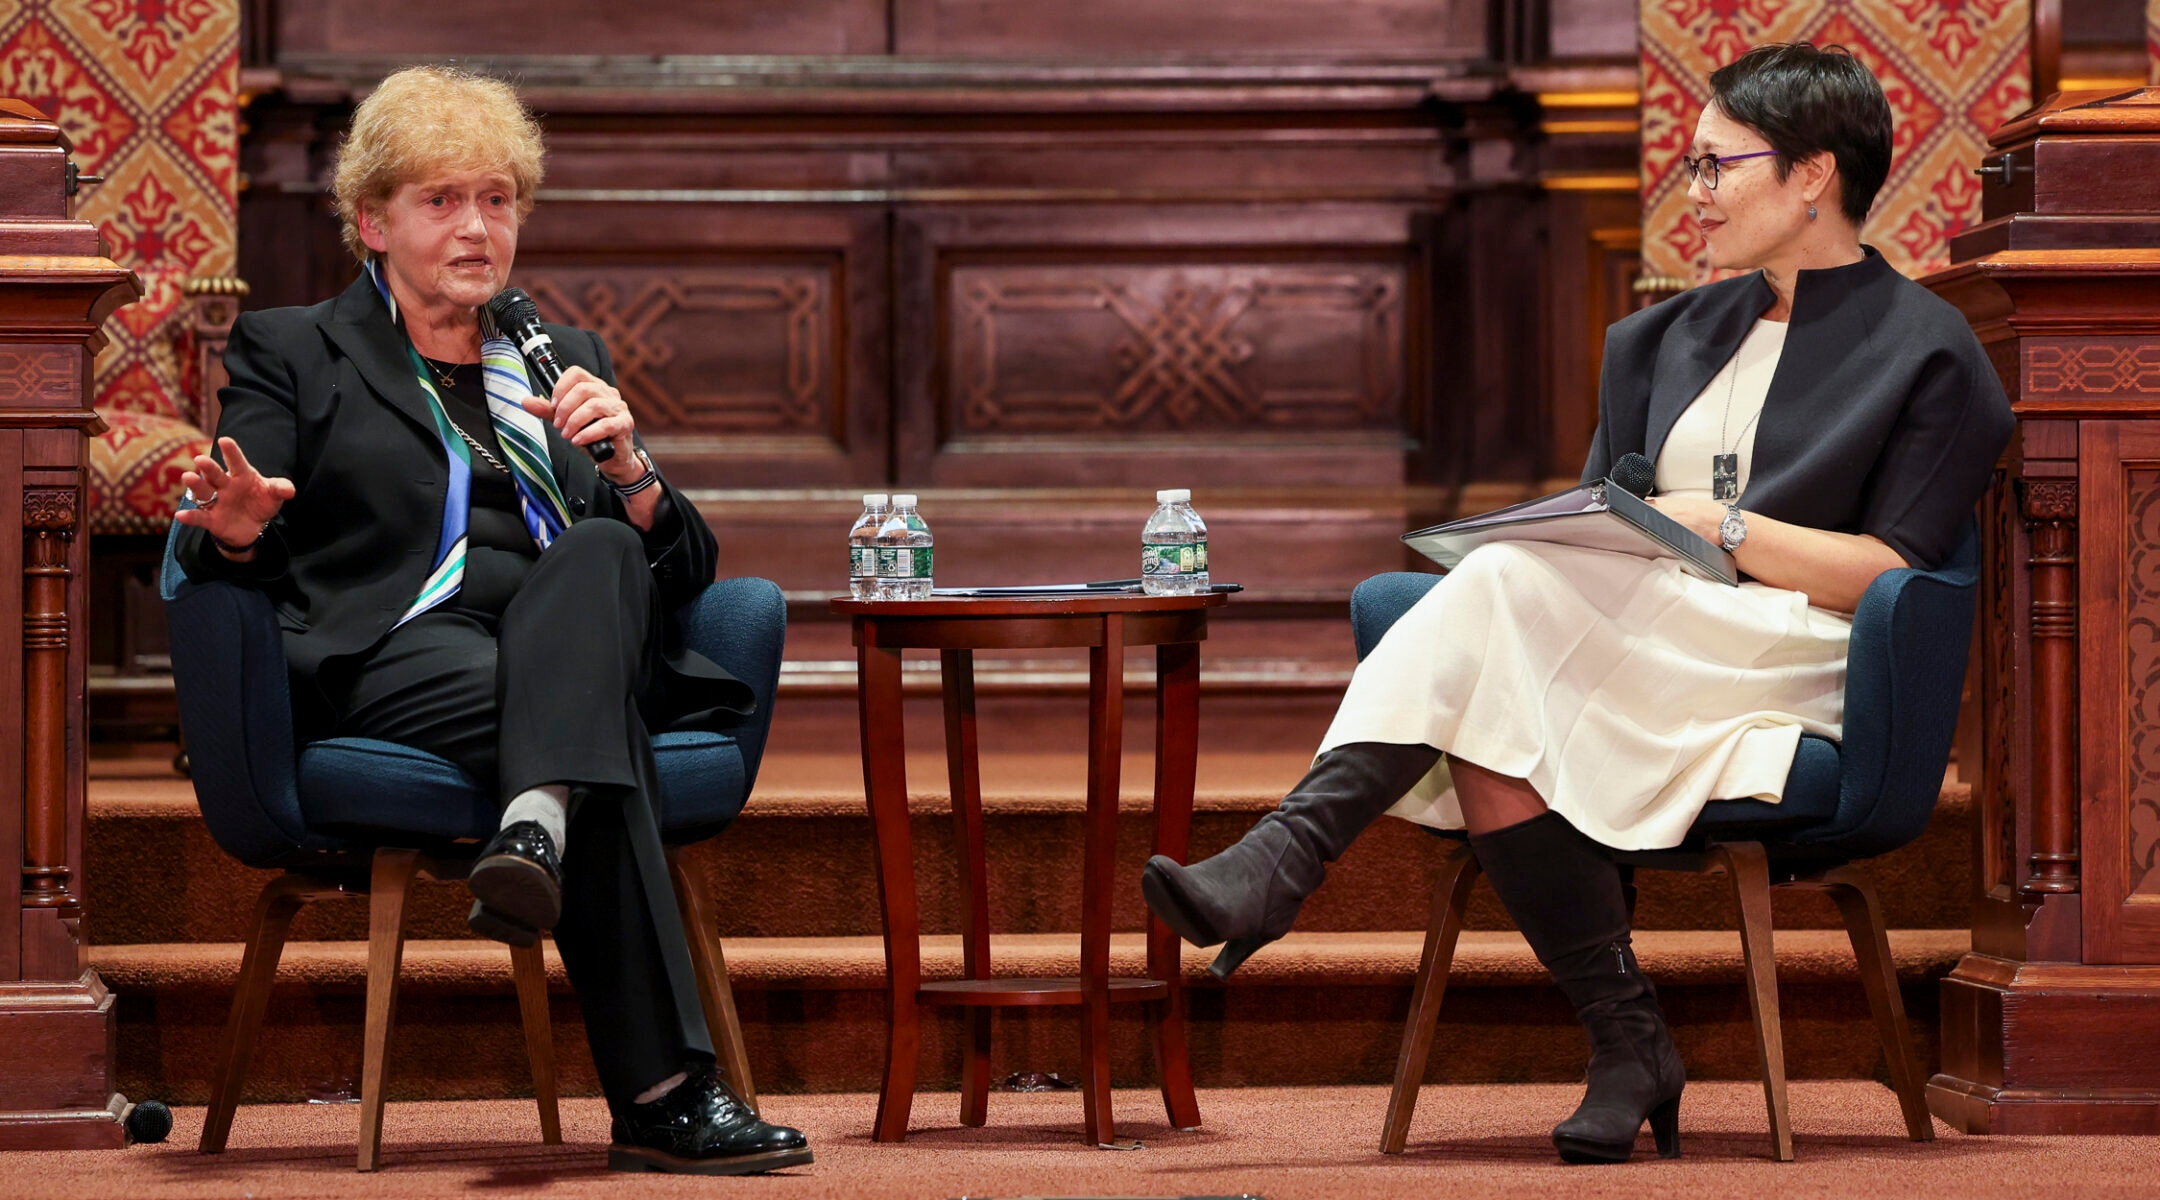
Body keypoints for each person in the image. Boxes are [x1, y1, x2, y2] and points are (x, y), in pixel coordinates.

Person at [1142, 43, 2012, 1165]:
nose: (1691, 194)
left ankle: (1288, 856)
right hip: (1648, 637)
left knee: (1498, 611)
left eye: (1715, 167)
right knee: (1502, 668)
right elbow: (1611, 524)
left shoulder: (1930, 350)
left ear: (1811, 176)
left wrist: (1728, 531)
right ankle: (1627, 1041)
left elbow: (1898, 574)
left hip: (1801, 654)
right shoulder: (1661, 340)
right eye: (1690, 167)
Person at [172, 65, 811, 1176]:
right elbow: (243, 508)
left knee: (608, 542)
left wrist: (634, 468)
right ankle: (668, 1098)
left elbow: (680, 569)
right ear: (373, 221)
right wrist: (229, 528)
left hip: (579, 637)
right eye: (441, 200)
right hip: (402, 652)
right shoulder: (296, 351)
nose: (478, 227)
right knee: (596, 738)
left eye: (498, 198)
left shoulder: (563, 357)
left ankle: (533, 828)